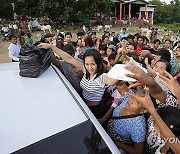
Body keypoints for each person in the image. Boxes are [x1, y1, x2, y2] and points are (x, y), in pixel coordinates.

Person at [38, 43, 118, 120]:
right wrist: (51, 46)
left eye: (93, 64)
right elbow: (69, 58)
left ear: (98, 63)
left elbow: (112, 81)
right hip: (84, 105)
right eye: (87, 64)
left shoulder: (102, 77)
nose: (90, 67)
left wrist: (127, 73)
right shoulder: (85, 70)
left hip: (96, 110)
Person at [127, 88, 180, 154]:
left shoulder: (169, 143)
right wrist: (178, 95)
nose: (154, 120)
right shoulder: (164, 112)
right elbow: (159, 92)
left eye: (157, 123)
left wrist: (151, 110)